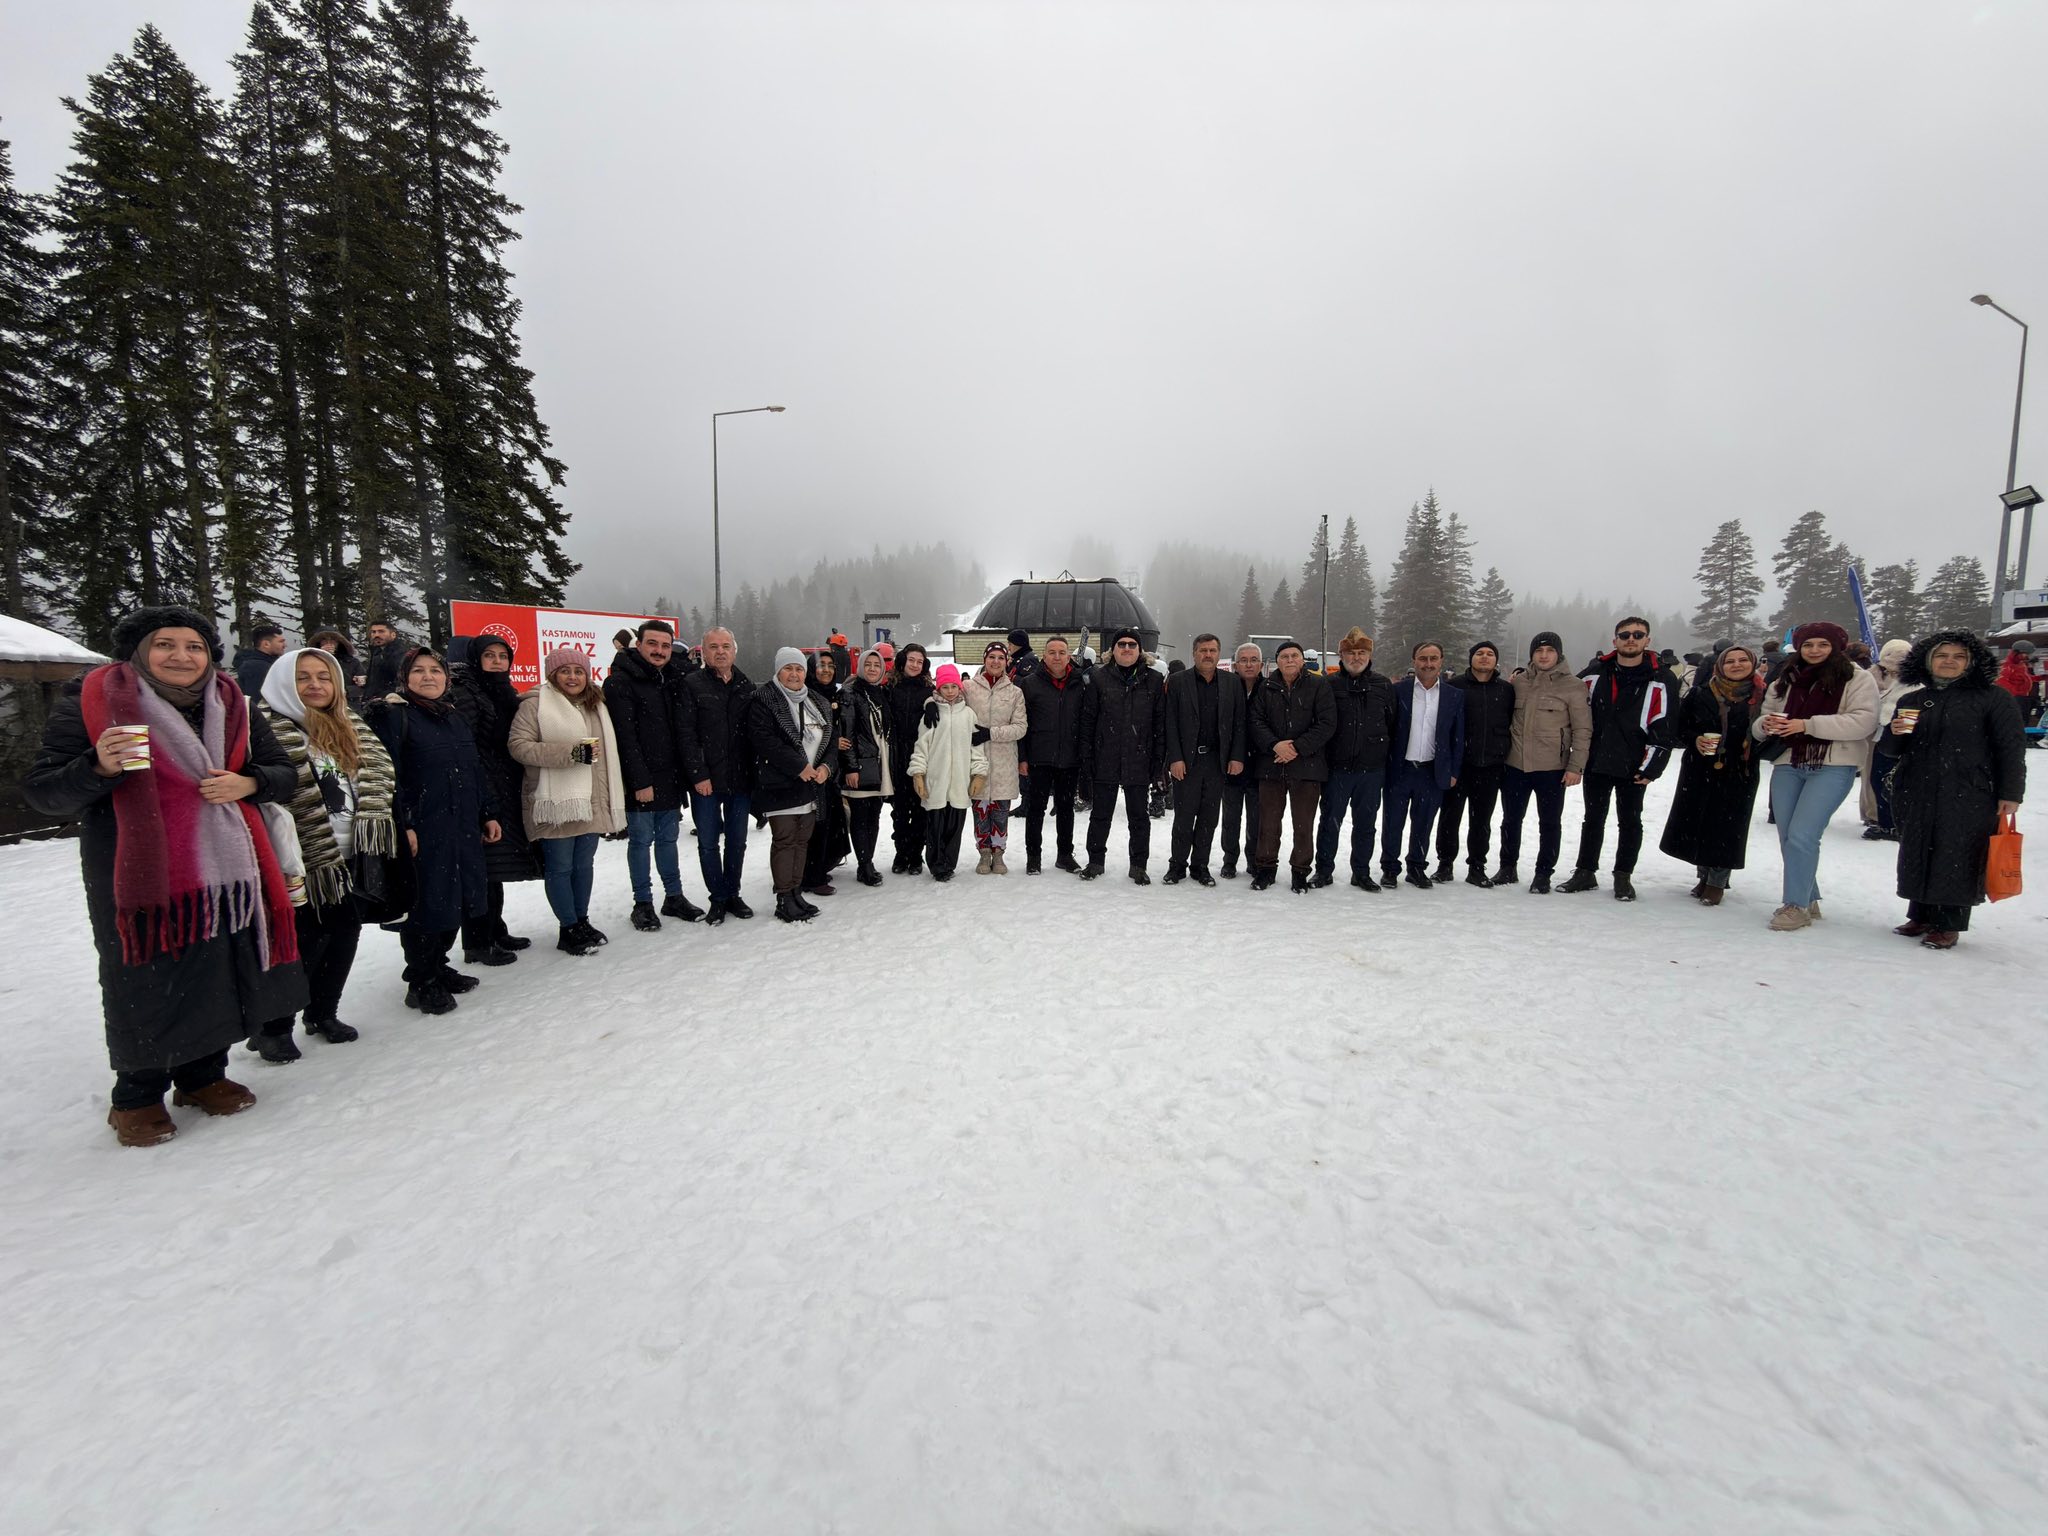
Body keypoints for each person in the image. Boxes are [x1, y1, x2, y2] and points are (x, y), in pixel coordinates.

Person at [25, 606, 307, 1146]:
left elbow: (283, 773)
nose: (181, 656)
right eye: (166, 645)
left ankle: (203, 1075)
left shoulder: (234, 704)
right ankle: (137, 1092)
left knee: (219, 960)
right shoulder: (94, 702)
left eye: (194, 646)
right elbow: (43, 792)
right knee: (146, 972)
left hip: (230, 869)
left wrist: (249, 785)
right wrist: (97, 768)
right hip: (139, 870)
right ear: (137, 652)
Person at [247, 646, 399, 1062]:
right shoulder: (262, 729)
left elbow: (379, 775)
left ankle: (322, 1012)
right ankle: (273, 1026)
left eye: (324, 676)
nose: (315, 685)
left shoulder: (351, 724)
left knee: (343, 937)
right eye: (303, 677)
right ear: (282, 683)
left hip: (351, 851)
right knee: (301, 944)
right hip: (298, 858)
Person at [364, 648, 504, 1010]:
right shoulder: (395, 717)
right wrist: (403, 824)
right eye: (419, 671)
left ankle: (439, 966)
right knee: (425, 904)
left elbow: (474, 769)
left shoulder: (452, 716)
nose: (429, 677)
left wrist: (488, 812)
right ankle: (421, 980)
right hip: (423, 830)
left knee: (455, 898)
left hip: (461, 826)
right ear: (405, 678)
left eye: (436, 671)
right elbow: (385, 775)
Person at [1887, 631, 2028, 949]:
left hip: (1971, 790)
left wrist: (2011, 793)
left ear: (1971, 662)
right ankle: (1920, 913)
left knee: (1957, 854)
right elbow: (1892, 750)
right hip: (1917, 788)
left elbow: (2010, 748)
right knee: (1918, 849)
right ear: (1927, 661)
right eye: (1941, 655)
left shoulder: (1993, 698)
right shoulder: (1913, 699)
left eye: (1958, 656)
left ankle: (1949, 922)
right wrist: (1894, 731)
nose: (1949, 661)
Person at [1753, 620, 1879, 932]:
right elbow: (1762, 719)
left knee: (1803, 834)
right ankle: (1808, 896)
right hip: (1787, 760)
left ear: (1836, 646)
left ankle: (1795, 905)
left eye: (1822, 644)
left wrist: (1806, 725)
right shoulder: (1786, 677)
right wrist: (1766, 726)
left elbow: (1863, 722)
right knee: (1787, 836)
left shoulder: (1856, 678)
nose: (1814, 650)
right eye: (1808, 645)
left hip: (1833, 764)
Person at [509, 648, 622, 955]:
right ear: (552, 675)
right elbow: (519, 746)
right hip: (555, 801)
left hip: (591, 800)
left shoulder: (595, 704)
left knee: (583, 865)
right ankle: (567, 927)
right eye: (565, 671)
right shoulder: (535, 704)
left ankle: (581, 921)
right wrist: (569, 754)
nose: (573, 677)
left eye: (579, 671)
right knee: (560, 867)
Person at [1558, 617, 1677, 901]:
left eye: (1638, 634)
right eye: (1625, 635)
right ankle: (1585, 872)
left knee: (1630, 820)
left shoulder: (1662, 678)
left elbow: (1666, 726)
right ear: (1615, 641)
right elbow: (1569, 704)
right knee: (1593, 819)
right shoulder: (1596, 671)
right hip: (1598, 760)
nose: (1631, 639)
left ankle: (1623, 876)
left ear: (1648, 640)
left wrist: (1653, 766)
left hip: (1635, 763)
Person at [606, 620, 707, 931]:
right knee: (640, 842)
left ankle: (673, 896)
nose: (659, 651)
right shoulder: (621, 682)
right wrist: (640, 781)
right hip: (643, 779)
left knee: (668, 840)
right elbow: (625, 738)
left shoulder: (671, 678)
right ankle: (643, 903)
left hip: (670, 776)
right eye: (653, 644)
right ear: (639, 645)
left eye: (665, 645)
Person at [447, 636, 538, 964]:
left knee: (495, 868)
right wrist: (485, 796)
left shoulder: (499, 689)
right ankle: (477, 942)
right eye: (490, 655)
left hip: (502, 785)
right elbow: (468, 748)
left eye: (503, 655)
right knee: (481, 870)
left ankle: (495, 928)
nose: (498, 661)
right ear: (476, 659)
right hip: (481, 790)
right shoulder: (466, 691)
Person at [1657, 644, 1764, 906]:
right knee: (1699, 821)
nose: (1736, 665)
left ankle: (1717, 881)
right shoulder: (1701, 693)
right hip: (1700, 767)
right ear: (1719, 665)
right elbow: (1680, 728)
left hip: (1739, 769)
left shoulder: (1762, 697)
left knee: (1728, 825)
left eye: (1742, 660)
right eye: (1730, 661)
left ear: (1752, 664)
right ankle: (1703, 874)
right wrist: (1696, 740)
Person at [1495, 631, 1591, 893]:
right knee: (1510, 819)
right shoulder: (1519, 683)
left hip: (1552, 768)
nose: (1544, 655)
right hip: (1515, 765)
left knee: (1549, 823)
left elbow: (1583, 730)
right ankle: (1507, 867)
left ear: (1558, 654)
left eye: (1549, 651)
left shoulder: (1573, 686)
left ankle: (1543, 873)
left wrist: (1575, 766)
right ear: (1532, 655)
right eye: (1539, 651)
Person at [747, 646, 836, 921]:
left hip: (811, 784)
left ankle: (796, 892)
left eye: (799, 669)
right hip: (780, 784)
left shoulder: (817, 702)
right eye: (788, 668)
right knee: (785, 839)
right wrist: (799, 767)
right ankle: (784, 897)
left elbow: (831, 739)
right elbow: (765, 741)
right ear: (778, 671)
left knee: (802, 840)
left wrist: (826, 767)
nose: (794, 674)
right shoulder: (763, 700)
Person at [678, 627, 755, 922]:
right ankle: (718, 898)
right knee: (708, 842)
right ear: (703, 652)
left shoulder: (746, 685)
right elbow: (686, 735)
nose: (720, 651)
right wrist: (698, 775)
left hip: (740, 779)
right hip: (706, 781)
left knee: (737, 841)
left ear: (734, 651)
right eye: (714, 647)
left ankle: (733, 893)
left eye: (726, 646)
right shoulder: (691, 684)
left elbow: (753, 733)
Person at [1078, 627, 1166, 883]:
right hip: (1105, 757)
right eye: (1121, 644)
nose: (1126, 649)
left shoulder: (1153, 680)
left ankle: (1138, 865)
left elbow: (1159, 725)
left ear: (1140, 651)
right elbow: (1088, 721)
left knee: (1139, 818)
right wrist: (1087, 758)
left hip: (1139, 758)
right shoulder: (1098, 678)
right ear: (1113, 650)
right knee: (1100, 815)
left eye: (1132, 645)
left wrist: (1158, 760)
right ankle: (1095, 861)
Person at [1248, 639, 1335, 891]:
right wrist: (1275, 745)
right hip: (1271, 764)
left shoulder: (1319, 685)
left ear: (1302, 659)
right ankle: (1265, 868)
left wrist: (1297, 747)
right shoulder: (1266, 688)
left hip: (1307, 766)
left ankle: (1300, 870)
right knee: (1268, 822)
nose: (1289, 660)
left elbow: (1327, 723)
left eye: (1294, 656)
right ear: (1277, 661)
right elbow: (1255, 721)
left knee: (1303, 823)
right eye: (1284, 656)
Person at [1313, 627, 1396, 891]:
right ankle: (1323, 870)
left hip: (1371, 771)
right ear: (1341, 655)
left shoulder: (1383, 685)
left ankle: (1361, 872)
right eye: (1351, 653)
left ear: (1369, 655)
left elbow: (1392, 724)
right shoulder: (1329, 684)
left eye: (1361, 652)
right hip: (1337, 769)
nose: (1356, 657)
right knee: (1329, 823)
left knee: (1366, 825)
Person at [1162, 633, 1247, 885]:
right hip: (1187, 762)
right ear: (1194, 653)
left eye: (1212, 650)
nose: (1207, 655)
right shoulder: (1178, 682)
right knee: (1184, 817)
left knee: (1210, 818)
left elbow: (1239, 724)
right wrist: (1174, 758)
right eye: (1202, 650)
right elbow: (1170, 723)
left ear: (1219, 654)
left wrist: (1236, 757)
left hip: (1217, 761)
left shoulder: (1232, 683)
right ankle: (1177, 865)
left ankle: (1200, 866)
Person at [1380, 641, 1465, 889]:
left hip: (1432, 770)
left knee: (1424, 823)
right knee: (1393, 822)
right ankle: (1390, 868)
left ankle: (1416, 867)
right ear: (1414, 661)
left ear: (1441, 661)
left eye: (1433, 658)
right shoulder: (1399, 691)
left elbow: (1457, 737)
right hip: (1400, 768)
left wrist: (1453, 771)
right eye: (1423, 658)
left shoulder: (1454, 695)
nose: (1428, 663)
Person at [1436, 640, 1514, 886]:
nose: (1484, 657)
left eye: (1490, 654)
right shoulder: (1454, 686)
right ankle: (1445, 864)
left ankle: (1477, 867)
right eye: (1479, 653)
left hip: (1490, 766)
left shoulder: (1506, 690)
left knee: (1482, 821)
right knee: (1450, 818)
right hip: (1460, 766)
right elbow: (1444, 728)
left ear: (1496, 660)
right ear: (1471, 658)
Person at [908, 662, 987, 882]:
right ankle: (936, 864)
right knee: (935, 827)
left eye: (954, 686)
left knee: (954, 827)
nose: (950, 691)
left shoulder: (969, 715)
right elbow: (921, 746)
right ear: (938, 688)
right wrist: (918, 773)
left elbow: (976, 747)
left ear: (959, 688)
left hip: (960, 782)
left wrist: (979, 774)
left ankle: (949, 863)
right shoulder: (931, 714)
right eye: (945, 687)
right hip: (936, 781)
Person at [1017, 636, 1086, 874]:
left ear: (1069, 656)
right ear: (1043, 655)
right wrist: (1022, 757)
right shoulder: (1030, 684)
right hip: (1039, 757)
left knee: (1066, 808)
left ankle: (1065, 854)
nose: (1057, 657)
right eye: (1052, 652)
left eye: (1062, 652)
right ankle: (1033, 857)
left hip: (1070, 758)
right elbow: (1021, 723)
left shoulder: (1080, 683)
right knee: (1036, 809)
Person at [965, 639, 1029, 874]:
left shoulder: (1015, 693)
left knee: (1001, 812)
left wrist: (990, 733)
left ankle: (998, 854)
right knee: (980, 810)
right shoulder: (968, 688)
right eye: (991, 657)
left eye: (1000, 658)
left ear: (1006, 662)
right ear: (984, 660)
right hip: (976, 761)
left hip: (1004, 761)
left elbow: (1020, 727)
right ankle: (983, 854)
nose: (996, 661)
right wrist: (934, 702)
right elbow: (944, 697)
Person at [840, 647, 894, 885]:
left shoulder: (880, 693)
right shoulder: (850, 693)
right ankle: (865, 865)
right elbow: (846, 733)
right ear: (860, 667)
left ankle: (868, 860)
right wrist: (851, 767)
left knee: (874, 815)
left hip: (879, 763)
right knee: (861, 817)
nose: (873, 669)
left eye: (877, 665)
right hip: (861, 765)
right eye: (868, 665)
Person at [801, 648, 852, 896]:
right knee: (815, 822)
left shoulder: (837, 695)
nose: (827, 670)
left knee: (831, 820)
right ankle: (811, 875)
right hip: (811, 768)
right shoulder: (805, 695)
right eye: (821, 665)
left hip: (832, 768)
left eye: (831, 666)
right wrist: (833, 741)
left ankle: (820, 865)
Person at [885, 642, 936, 874]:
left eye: (919, 661)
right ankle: (901, 852)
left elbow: (950, 697)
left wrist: (934, 703)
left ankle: (916, 854)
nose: (915, 665)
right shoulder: (890, 688)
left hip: (920, 757)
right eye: (911, 660)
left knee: (920, 808)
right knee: (899, 809)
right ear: (902, 661)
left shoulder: (929, 691)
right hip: (896, 756)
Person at [1219, 643, 1265, 879]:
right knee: (1230, 818)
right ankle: (1229, 860)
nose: (1248, 664)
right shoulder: (1227, 687)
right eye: (1244, 660)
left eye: (1253, 659)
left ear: (1261, 664)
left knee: (1257, 818)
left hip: (1260, 765)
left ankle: (1254, 859)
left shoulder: (1269, 689)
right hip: (1232, 764)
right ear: (1235, 664)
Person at [1861, 638, 1914, 840]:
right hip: (1873, 731)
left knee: (1888, 777)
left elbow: (1910, 705)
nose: (1897, 660)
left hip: (1898, 732)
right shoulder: (1872, 675)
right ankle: (1874, 815)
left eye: (1903, 655)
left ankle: (1889, 819)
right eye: (1893, 655)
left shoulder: (1914, 678)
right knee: (1872, 775)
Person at [311, 628, 368, 705]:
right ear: (319, 643)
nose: (329, 643)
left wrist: (346, 691)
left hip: (348, 704)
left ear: (339, 642)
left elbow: (363, 685)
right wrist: (320, 655)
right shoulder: (310, 661)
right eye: (324, 640)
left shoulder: (352, 662)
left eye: (333, 640)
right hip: (319, 702)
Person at [234, 621, 288, 696]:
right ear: (266, 644)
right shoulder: (256, 668)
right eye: (281, 642)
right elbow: (257, 700)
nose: (285, 645)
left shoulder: (269, 664)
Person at [362, 620, 406, 699]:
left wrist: (383, 696)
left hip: (390, 702)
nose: (376, 635)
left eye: (381, 631)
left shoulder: (400, 654)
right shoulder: (377, 652)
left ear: (393, 634)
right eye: (373, 632)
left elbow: (401, 682)